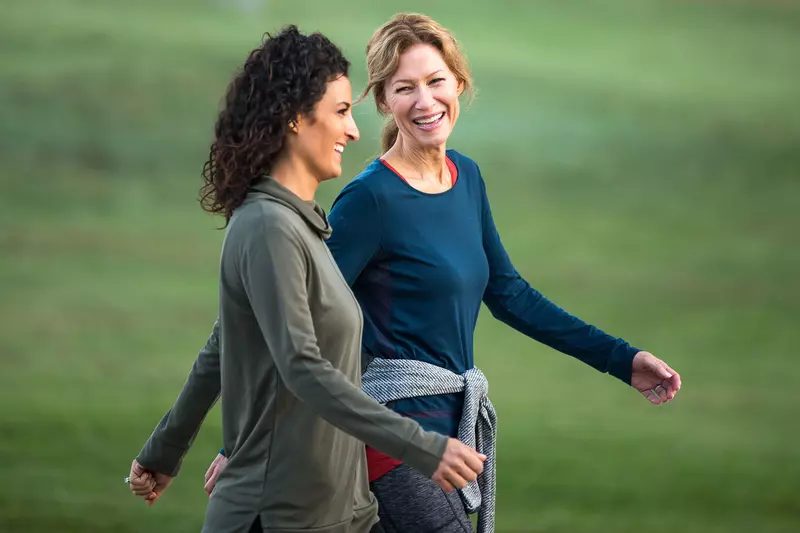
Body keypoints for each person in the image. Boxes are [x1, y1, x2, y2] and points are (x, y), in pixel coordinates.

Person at [204, 13, 682, 533]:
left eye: (435, 81)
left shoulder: (468, 178)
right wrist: (243, 447)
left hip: (451, 434)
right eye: (404, 88)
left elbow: (510, 294)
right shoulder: (369, 200)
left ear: (459, 82)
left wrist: (621, 359)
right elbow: (284, 315)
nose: (425, 101)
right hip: (388, 441)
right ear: (384, 100)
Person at [126, 25, 486, 533]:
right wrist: (422, 446)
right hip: (277, 513)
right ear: (296, 119)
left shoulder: (301, 225)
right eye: (341, 112)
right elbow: (302, 366)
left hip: (335, 511)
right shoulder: (270, 227)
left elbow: (226, 341)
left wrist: (165, 449)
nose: (355, 130)